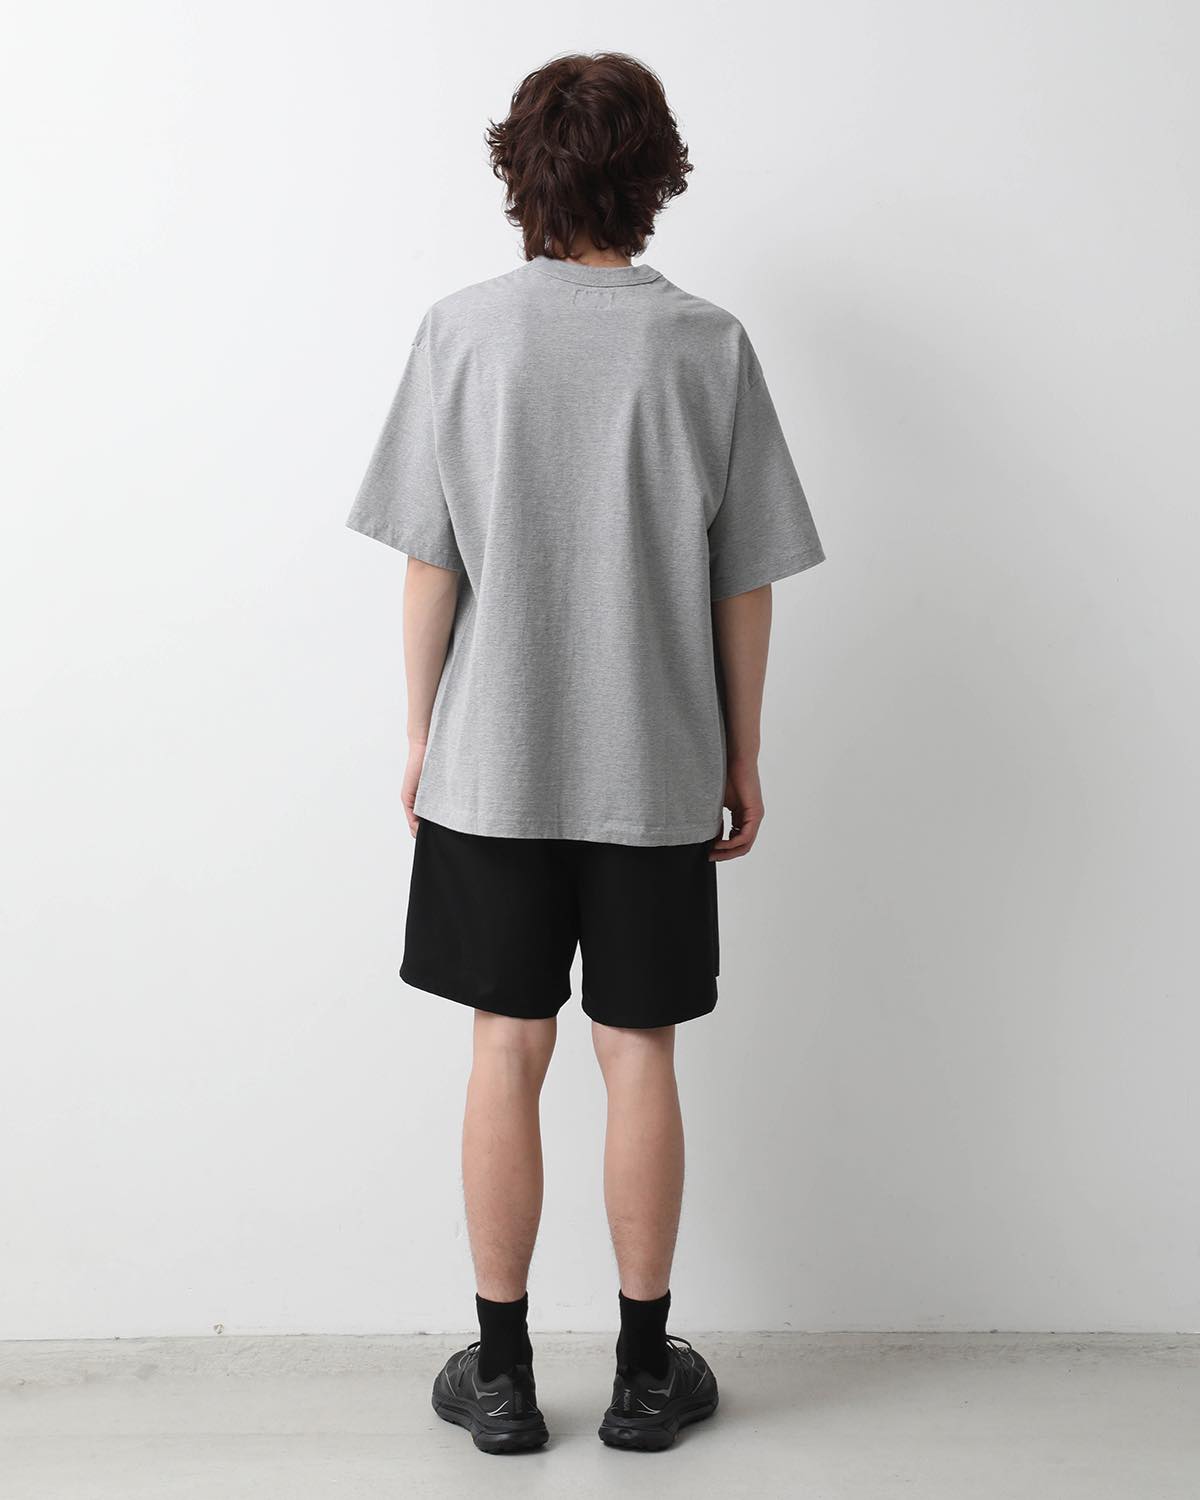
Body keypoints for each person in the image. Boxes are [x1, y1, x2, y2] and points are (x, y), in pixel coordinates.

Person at [346, 51, 825, 1455]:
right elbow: (746, 582)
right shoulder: (707, 346)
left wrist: (424, 733)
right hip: (654, 764)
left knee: (507, 1047)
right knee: (638, 1052)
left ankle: (500, 1378)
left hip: (494, 761)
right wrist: (741, 753)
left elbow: (430, 566)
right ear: (655, 174)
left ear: (521, 171)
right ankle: (641, 1373)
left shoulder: (462, 332)